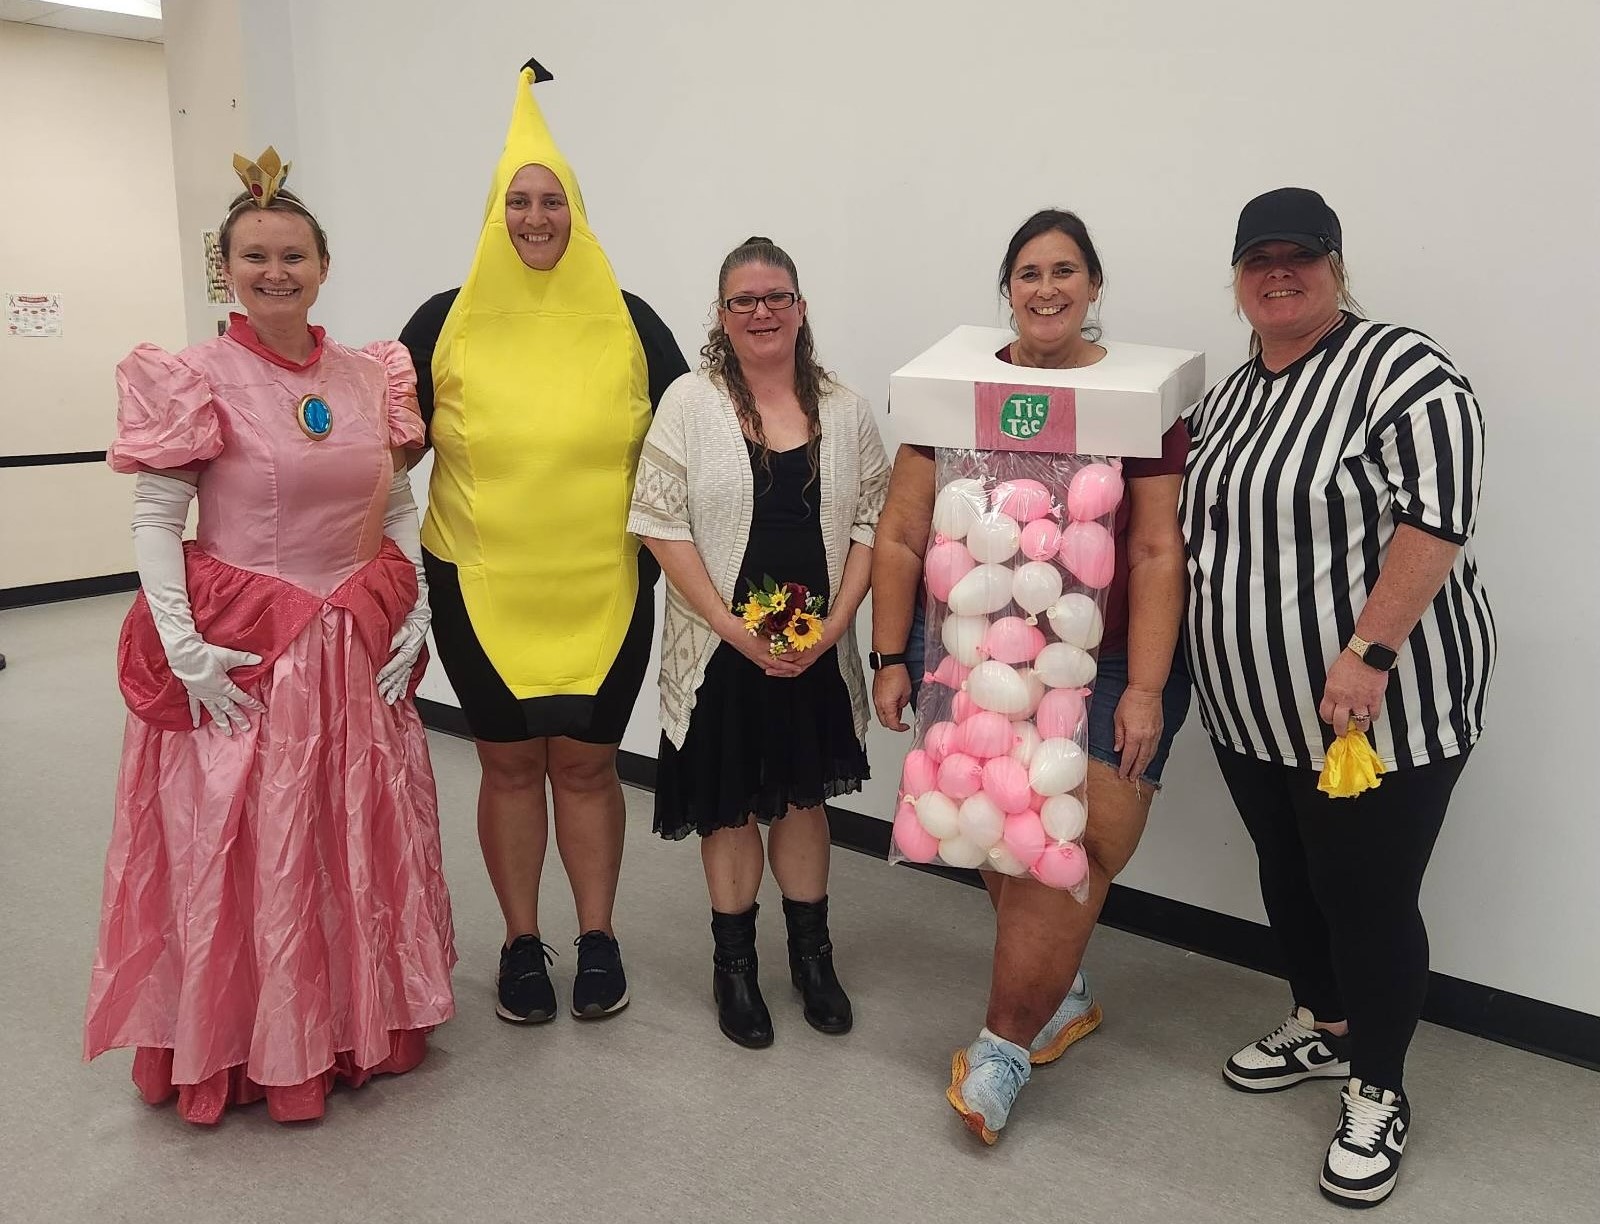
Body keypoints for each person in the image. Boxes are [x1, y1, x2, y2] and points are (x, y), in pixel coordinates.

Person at [83, 149, 456, 1125]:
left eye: (293, 254)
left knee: (349, 837)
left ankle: (348, 1017)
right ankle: (251, 1038)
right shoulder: (194, 375)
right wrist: (183, 648)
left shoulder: (370, 373)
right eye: (255, 256)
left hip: (354, 643)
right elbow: (157, 521)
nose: (275, 271)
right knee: (254, 844)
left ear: (323, 265)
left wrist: (417, 604)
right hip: (252, 651)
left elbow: (398, 499)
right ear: (228, 270)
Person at [1182, 187, 1495, 1207]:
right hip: (1250, 710)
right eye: (1258, 258)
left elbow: (1435, 518)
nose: (1279, 272)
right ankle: (1324, 1027)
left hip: (1377, 710)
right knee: (1288, 874)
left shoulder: (1399, 369)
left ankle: (1379, 1088)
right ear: (1236, 278)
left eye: (1299, 256)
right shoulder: (1231, 395)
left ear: (1334, 265)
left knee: (1363, 896)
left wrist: (1367, 650)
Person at [870, 209, 1191, 1143]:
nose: (1046, 289)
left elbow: (1158, 550)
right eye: (1027, 274)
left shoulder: (1139, 401)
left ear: (1094, 285)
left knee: (1072, 857)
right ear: (1005, 289)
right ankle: (1058, 994)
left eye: (1065, 271)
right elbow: (900, 530)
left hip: (1118, 655)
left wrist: (1140, 691)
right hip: (978, 641)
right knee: (1004, 834)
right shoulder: (953, 388)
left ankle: (1003, 1046)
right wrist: (895, 655)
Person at [398, 63, 688, 1026]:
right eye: (517, 201)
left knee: (589, 765)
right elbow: (379, 457)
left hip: (605, 589)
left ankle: (597, 933)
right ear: (494, 212)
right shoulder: (440, 325)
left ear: (578, 212)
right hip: (479, 585)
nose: (534, 217)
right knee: (512, 765)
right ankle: (522, 939)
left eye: (550, 201)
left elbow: (689, 449)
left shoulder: (631, 322)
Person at [628, 236, 888, 1048]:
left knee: (803, 801)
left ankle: (813, 958)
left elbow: (874, 521)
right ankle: (733, 968)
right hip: (721, 652)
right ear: (721, 316)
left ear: (801, 309)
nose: (761, 311)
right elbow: (660, 527)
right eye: (743, 300)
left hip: (813, 649)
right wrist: (734, 629)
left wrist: (839, 623)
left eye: (776, 296)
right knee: (732, 806)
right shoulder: (689, 404)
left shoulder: (843, 409)